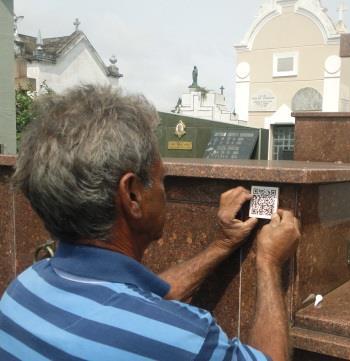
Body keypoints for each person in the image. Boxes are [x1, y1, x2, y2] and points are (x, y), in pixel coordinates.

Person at [0, 85, 300, 361]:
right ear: (132, 195)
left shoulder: (21, 291)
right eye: (161, 179)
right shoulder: (183, 340)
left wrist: (222, 245)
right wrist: (269, 263)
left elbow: (143, 301)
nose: (163, 191)